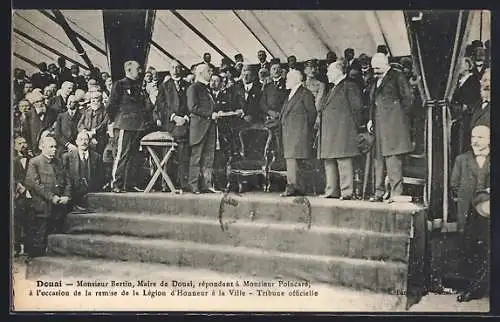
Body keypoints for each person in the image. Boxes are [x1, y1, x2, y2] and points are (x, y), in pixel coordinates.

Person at [451, 125, 490, 302]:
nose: (475, 140)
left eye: (480, 137)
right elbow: (454, 184)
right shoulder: (462, 159)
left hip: (488, 214)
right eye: (473, 136)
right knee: (469, 249)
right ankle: (471, 289)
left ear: (489, 139)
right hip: (467, 213)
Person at [367, 53, 414, 202]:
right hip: (379, 124)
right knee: (378, 159)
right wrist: (370, 119)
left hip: (393, 125)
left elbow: (408, 99)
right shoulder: (376, 79)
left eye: (378, 67)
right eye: (373, 68)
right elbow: (373, 101)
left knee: (393, 160)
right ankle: (378, 193)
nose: (375, 71)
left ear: (386, 64)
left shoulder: (397, 76)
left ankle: (396, 194)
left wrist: (398, 118)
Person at [317, 59, 362, 199]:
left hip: (343, 131)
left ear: (338, 71)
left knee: (344, 161)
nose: (327, 74)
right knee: (329, 161)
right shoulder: (332, 88)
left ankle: (347, 192)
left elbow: (357, 109)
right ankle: (331, 191)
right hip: (330, 132)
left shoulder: (349, 86)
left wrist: (351, 128)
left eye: (330, 71)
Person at [108, 60, 153, 193]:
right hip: (124, 125)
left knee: (133, 155)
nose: (140, 71)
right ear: (128, 70)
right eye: (138, 69)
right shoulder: (119, 84)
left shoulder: (139, 86)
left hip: (137, 126)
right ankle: (116, 183)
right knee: (122, 154)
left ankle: (129, 183)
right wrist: (116, 120)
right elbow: (111, 105)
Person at [24, 136, 71, 258]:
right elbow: (35, 185)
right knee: (39, 240)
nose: (54, 150)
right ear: (41, 147)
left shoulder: (58, 162)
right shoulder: (34, 162)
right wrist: (52, 197)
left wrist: (66, 195)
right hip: (42, 209)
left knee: (56, 242)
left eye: (55, 147)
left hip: (59, 208)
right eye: (51, 147)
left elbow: (67, 181)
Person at [154, 60, 191, 191]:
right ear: (169, 70)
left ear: (181, 69)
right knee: (168, 153)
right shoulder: (164, 86)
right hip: (170, 123)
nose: (175, 70)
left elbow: (191, 104)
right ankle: (166, 183)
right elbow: (160, 106)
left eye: (178, 67)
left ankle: (182, 182)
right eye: (173, 67)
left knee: (183, 153)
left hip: (185, 122)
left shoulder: (188, 85)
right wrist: (174, 117)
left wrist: (185, 118)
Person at [279, 70, 316, 197]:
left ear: (296, 79)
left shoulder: (305, 94)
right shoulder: (291, 93)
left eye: (288, 78)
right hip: (290, 133)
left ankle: (292, 188)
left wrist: (304, 129)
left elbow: (312, 114)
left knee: (293, 161)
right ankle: (295, 188)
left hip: (298, 133)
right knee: (292, 161)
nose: (286, 80)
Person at [186, 63, 218, 194]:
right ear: (200, 73)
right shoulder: (193, 88)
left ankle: (207, 184)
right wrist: (210, 114)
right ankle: (193, 185)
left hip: (209, 127)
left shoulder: (206, 89)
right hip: (199, 128)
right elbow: (192, 107)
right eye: (208, 71)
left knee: (209, 157)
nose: (211, 73)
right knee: (196, 157)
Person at [62, 131, 104, 211]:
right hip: (74, 198)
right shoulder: (67, 157)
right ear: (76, 142)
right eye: (81, 139)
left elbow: (100, 177)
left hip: (92, 196)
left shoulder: (97, 157)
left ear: (89, 142)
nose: (83, 142)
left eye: (86, 140)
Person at [13, 136, 32, 256]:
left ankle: (29, 247)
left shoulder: (32, 159)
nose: (23, 145)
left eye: (24, 142)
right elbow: (13, 178)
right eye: (19, 143)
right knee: (17, 221)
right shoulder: (12, 160)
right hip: (19, 195)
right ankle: (17, 247)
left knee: (30, 221)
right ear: (15, 146)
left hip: (31, 194)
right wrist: (21, 189)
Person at [78, 91, 109, 155]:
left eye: (97, 101)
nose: (95, 103)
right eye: (93, 101)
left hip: (99, 139)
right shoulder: (87, 111)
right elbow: (80, 124)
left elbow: (104, 124)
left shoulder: (105, 112)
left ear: (101, 102)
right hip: (86, 138)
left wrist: (93, 132)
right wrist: (85, 131)